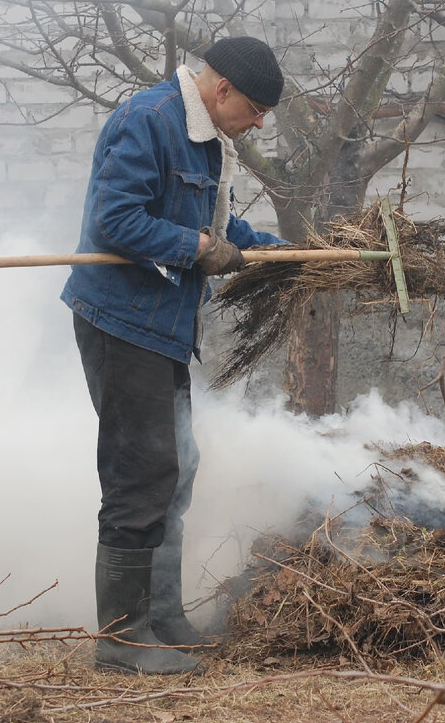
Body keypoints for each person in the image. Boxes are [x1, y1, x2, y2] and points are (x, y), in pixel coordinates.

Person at [61, 36, 286, 675]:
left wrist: (280, 253)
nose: (261, 121)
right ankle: (123, 640)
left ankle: (162, 616)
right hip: (122, 322)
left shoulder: (209, 139)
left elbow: (221, 230)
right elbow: (116, 221)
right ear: (222, 92)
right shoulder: (149, 121)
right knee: (141, 473)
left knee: (176, 471)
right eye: (258, 108)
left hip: (163, 328)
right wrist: (195, 248)